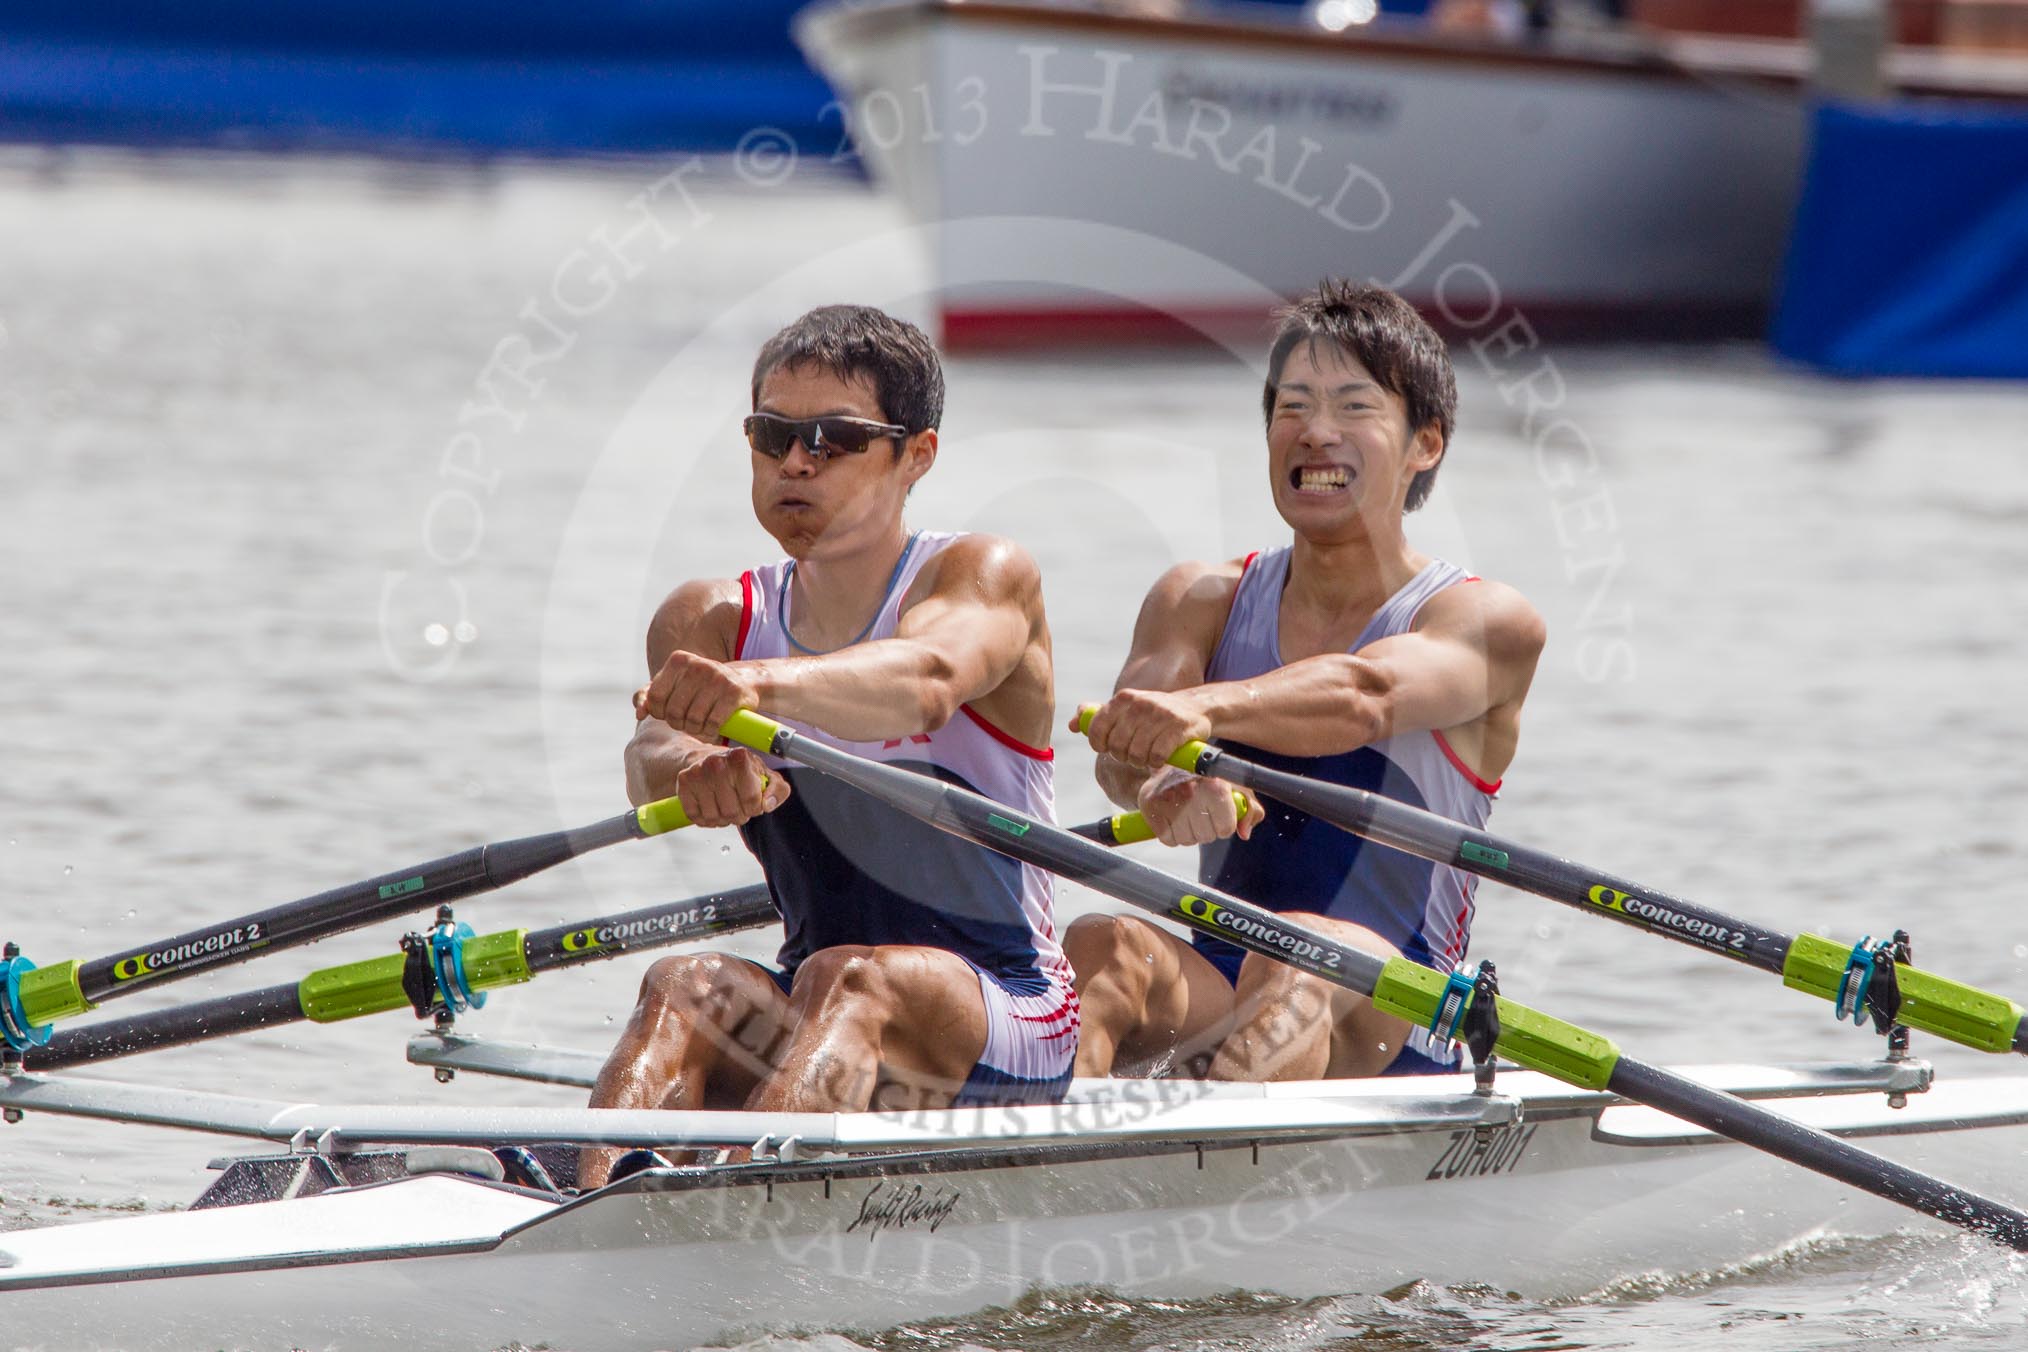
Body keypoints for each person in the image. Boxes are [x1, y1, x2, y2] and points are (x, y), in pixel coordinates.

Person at [582, 305, 1074, 1187]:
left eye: (835, 439)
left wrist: (758, 694)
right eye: (773, 435)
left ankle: (722, 1216)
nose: (797, 463)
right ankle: (586, 1217)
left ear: (916, 454)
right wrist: (699, 770)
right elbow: (648, 754)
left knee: (853, 976)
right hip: (819, 1007)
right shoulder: (711, 618)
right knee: (686, 983)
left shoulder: (982, 575)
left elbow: (927, 675)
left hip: (1009, 1018)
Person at [1067, 279, 1544, 1082]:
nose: (1316, 433)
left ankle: (1209, 1187)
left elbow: (1367, 697)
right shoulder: (1199, 600)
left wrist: (1200, 717)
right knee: (1097, 944)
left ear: (1425, 444)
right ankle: (1036, 1175)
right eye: (1292, 407)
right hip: (1225, 978)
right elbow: (1124, 753)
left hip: (1397, 1011)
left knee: (1296, 956)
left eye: (1354, 407)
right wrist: (1161, 784)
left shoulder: (1484, 621)